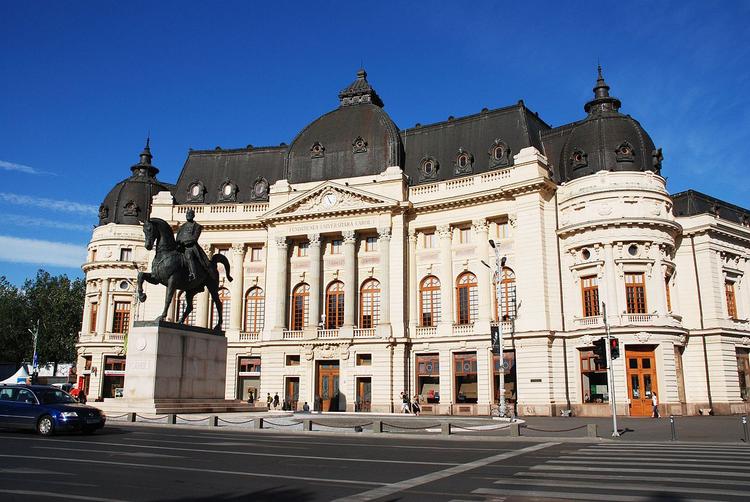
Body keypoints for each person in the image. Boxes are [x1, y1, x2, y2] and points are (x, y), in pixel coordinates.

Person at [175, 209, 210, 281]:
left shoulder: (197, 226)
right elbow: (178, 237)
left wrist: (185, 243)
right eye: (187, 214)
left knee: (189, 255)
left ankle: (192, 273)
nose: (188, 215)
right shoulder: (182, 227)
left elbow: (194, 238)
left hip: (190, 247)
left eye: (190, 214)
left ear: (193, 216)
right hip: (181, 247)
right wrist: (178, 244)